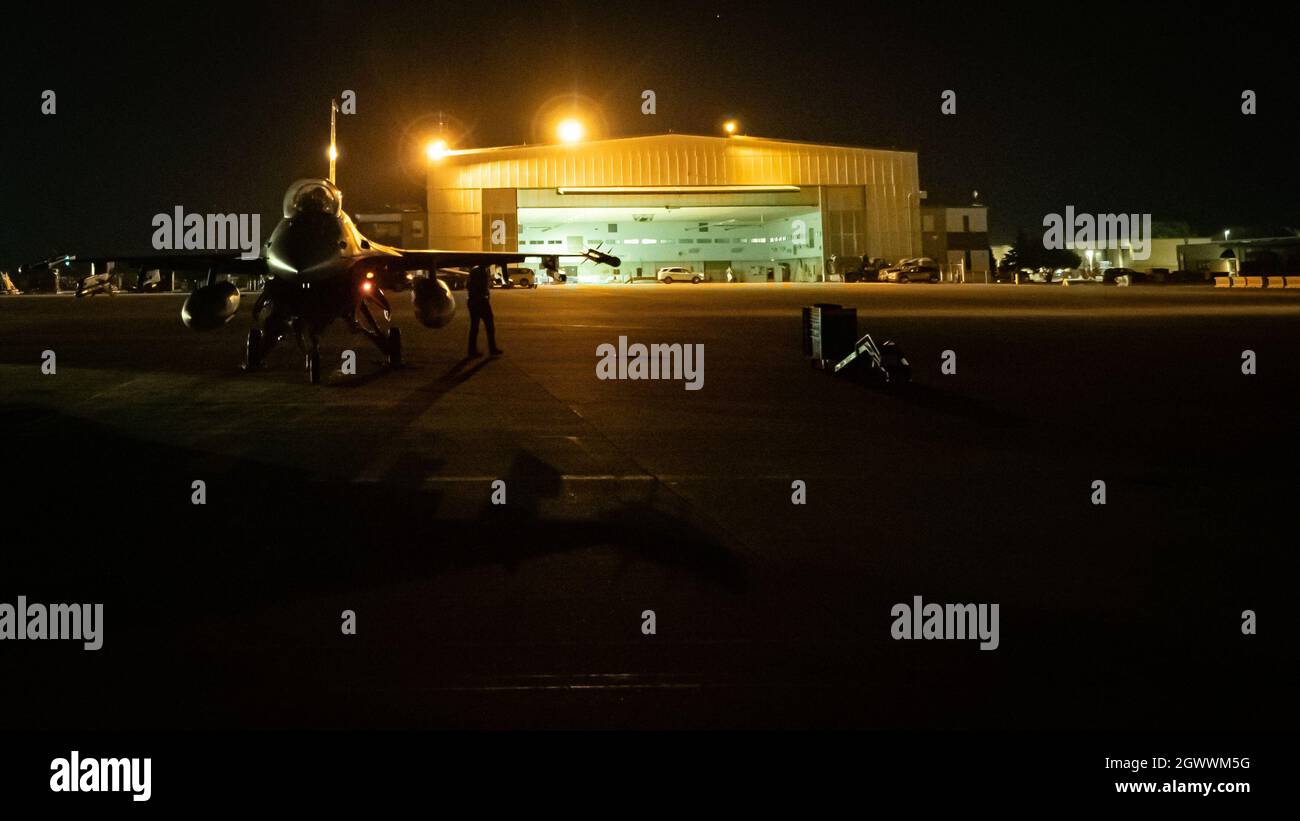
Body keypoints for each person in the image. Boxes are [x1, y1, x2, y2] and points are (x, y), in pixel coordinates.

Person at [467, 264, 502, 357]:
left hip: (475, 301)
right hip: (480, 301)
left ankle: (472, 350)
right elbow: (481, 286)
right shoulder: (481, 271)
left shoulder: (475, 270)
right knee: (489, 326)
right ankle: (492, 348)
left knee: (475, 327)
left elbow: (470, 286)